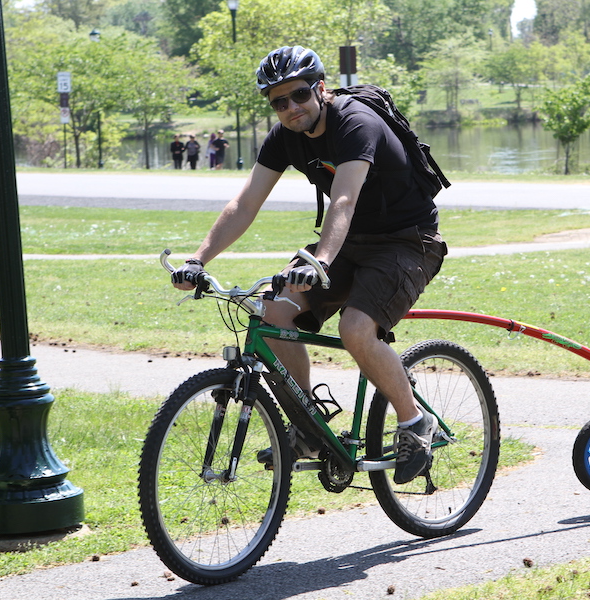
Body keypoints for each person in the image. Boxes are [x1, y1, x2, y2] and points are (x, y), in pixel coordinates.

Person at [171, 45, 447, 484]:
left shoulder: (356, 123)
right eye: (278, 102)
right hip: (348, 242)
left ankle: (414, 422)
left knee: (356, 329)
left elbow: (344, 197)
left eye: (298, 95)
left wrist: (319, 260)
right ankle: (308, 424)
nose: (290, 107)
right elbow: (244, 204)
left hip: (406, 241)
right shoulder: (284, 137)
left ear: (320, 88)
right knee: (274, 311)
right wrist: (197, 259)